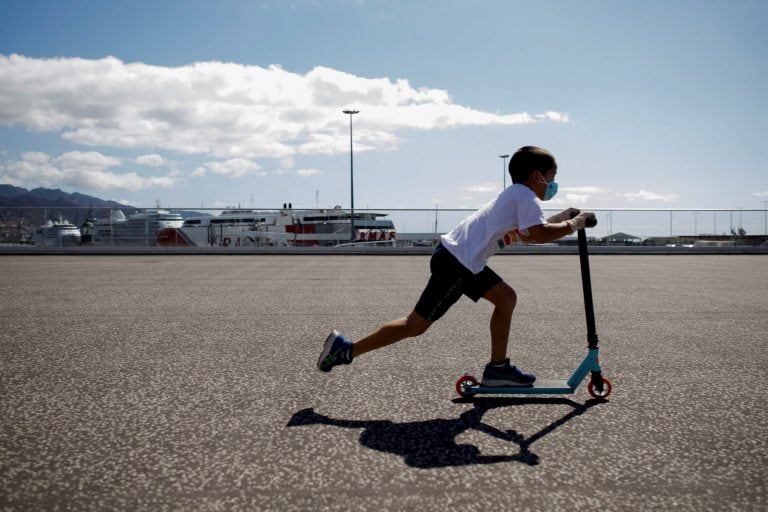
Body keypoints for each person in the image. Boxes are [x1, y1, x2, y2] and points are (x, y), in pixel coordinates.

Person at [317, 145, 596, 386]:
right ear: (537, 176)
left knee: (506, 298)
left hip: (461, 259)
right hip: (458, 263)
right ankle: (345, 350)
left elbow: (530, 233)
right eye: (552, 178)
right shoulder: (526, 198)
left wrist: (564, 217)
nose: (553, 184)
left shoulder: (517, 196)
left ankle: (498, 368)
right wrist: (575, 224)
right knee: (415, 325)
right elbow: (539, 234)